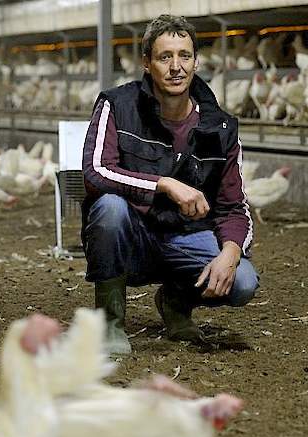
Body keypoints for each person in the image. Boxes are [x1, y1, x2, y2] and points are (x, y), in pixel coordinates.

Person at [81, 14, 259, 354]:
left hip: (186, 237)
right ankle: (109, 324)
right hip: (133, 239)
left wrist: (231, 253)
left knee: (244, 281)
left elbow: (234, 207)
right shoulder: (117, 104)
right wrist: (163, 183)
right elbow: (95, 170)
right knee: (109, 207)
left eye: (184, 56)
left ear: (195, 62)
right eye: (165, 57)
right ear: (146, 63)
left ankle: (176, 301)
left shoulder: (219, 127)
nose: (176, 66)